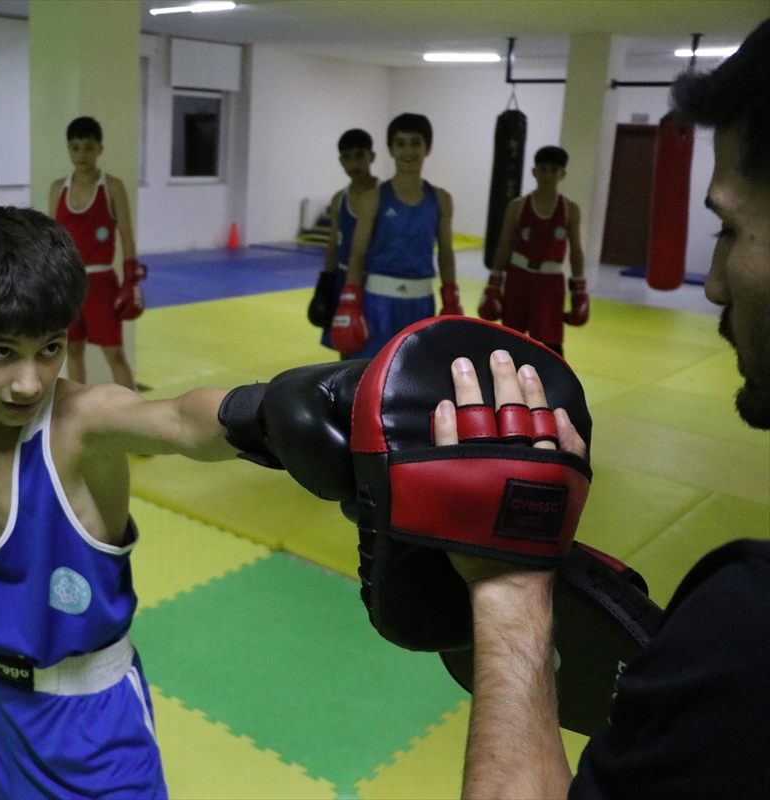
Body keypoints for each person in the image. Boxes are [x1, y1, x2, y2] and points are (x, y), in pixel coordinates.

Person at [444, 20, 770, 798]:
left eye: (728, 226)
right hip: (520, 284)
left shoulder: (745, 635)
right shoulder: (524, 208)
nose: (714, 282)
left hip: (550, 288)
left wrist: (506, 582)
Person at [0, 207, 236, 797]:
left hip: (87, 728)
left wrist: (277, 415)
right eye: (0, 352)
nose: (29, 382)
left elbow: (184, 420)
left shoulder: (82, 423)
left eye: (50, 349)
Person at [329, 113, 462, 360]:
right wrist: (350, 300)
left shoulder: (441, 199)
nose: (408, 151)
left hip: (422, 302)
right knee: (370, 373)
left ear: (428, 149)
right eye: (400, 143)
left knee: (415, 374)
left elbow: (445, 253)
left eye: (415, 143)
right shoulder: (374, 197)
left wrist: (451, 297)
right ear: (390, 149)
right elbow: (357, 254)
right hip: (377, 304)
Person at [49, 116, 144, 391]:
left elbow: (126, 235)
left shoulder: (112, 186)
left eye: (88, 148)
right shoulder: (58, 188)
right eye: (75, 147)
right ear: (68, 149)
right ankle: (80, 409)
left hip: (101, 282)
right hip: (69, 283)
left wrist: (131, 279)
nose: (81, 155)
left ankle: (133, 410)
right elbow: (53, 239)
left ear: (99, 149)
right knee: (73, 351)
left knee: (114, 353)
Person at [479, 145, 588, 357]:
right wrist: (494, 283)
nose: (548, 175)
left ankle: (552, 387)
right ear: (534, 171)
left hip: (550, 282)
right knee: (510, 337)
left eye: (553, 170)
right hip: (518, 276)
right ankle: (500, 381)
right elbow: (504, 245)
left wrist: (579, 289)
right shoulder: (517, 206)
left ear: (562, 174)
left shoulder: (570, 209)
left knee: (551, 341)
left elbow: (576, 249)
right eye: (543, 169)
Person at [308, 128, 379, 354]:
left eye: (359, 156)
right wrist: (324, 286)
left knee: (375, 347)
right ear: (340, 161)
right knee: (345, 345)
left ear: (372, 157)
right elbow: (333, 245)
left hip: (375, 283)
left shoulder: (385, 195)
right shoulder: (340, 199)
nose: (354, 164)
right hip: (343, 280)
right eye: (347, 158)